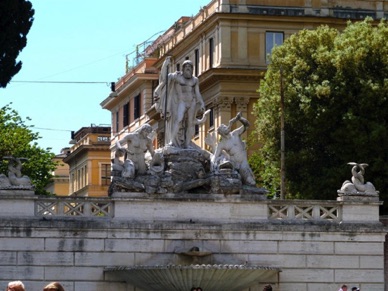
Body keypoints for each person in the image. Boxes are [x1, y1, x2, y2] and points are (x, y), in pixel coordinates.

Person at [154, 56, 205, 148]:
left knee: (190, 123)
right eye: (186, 67)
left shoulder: (195, 80)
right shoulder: (177, 77)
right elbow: (165, 79)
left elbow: (197, 93)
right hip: (182, 102)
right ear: (183, 68)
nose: (188, 69)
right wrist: (165, 65)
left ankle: (187, 144)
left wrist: (202, 103)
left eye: (190, 68)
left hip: (192, 102)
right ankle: (172, 141)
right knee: (178, 119)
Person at [211, 112, 256, 186]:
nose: (227, 128)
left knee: (251, 181)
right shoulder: (222, 144)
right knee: (248, 182)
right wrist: (213, 165)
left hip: (244, 161)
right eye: (224, 128)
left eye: (226, 126)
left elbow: (247, 125)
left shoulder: (235, 133)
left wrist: (240, 118)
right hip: (235, 165)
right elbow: (215, 156)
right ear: (221, 133)